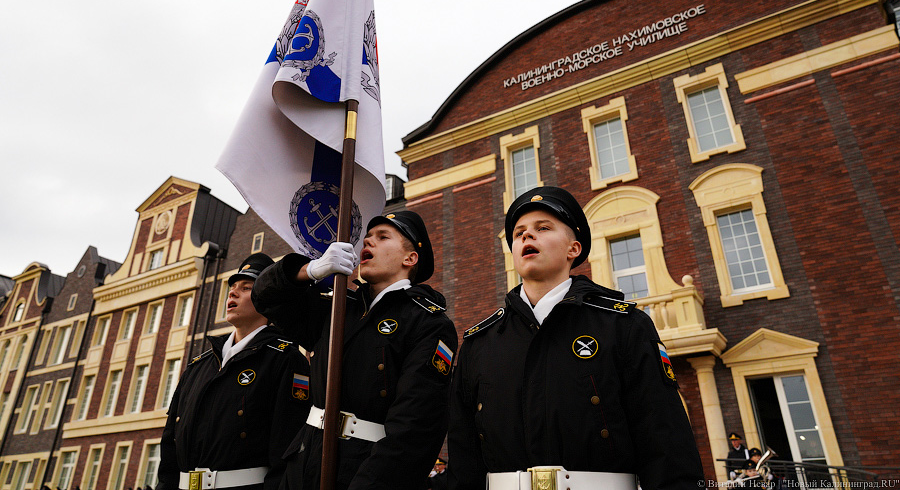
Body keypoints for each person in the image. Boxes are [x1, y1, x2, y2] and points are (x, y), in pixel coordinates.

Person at [447, 186, 705, 490]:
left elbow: (668, 448)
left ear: (574, 249)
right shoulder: (480, 343)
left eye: (543, 228)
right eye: (519, 234)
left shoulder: (624, 326)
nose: (527, 237)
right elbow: (463, 461)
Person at [252, 210, 458, 490]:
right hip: (304, 463)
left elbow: (415, 428)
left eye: (383, 237)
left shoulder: (427, 322)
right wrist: (309, 270)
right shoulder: (337, 308)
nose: (367, 243)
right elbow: (264, 297)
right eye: (367, 237)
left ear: (409, 259)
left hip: (364, 469)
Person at [158, 253, 312, 490]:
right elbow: (170, 447)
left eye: (247, 287)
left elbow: (288, 450)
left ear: (268, 298)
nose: (233, 292)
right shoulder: (198, 366)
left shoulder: (285, 359)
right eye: (232, 287)